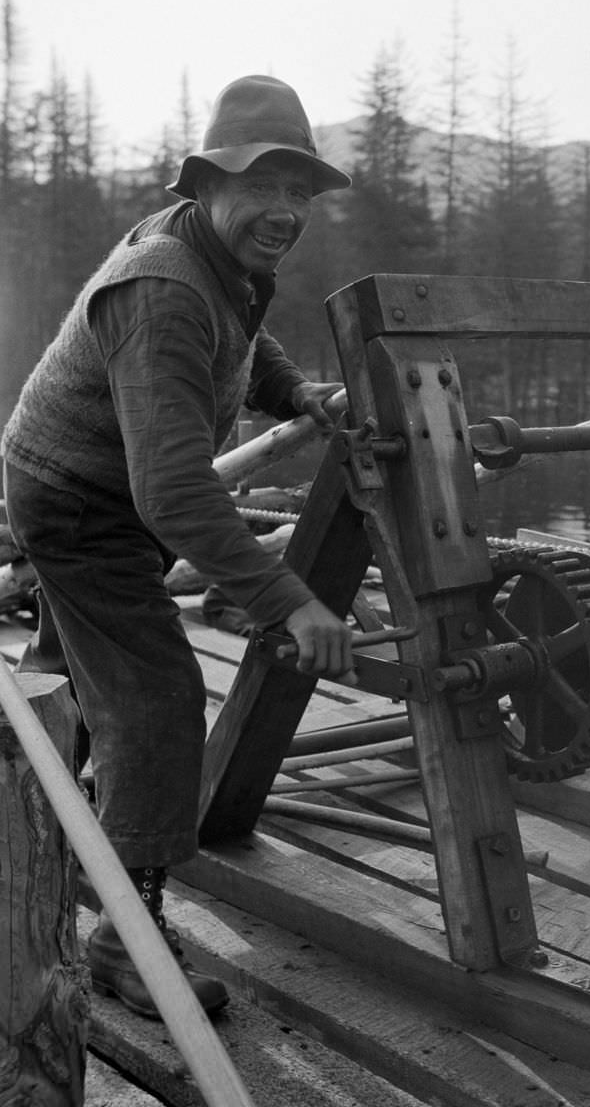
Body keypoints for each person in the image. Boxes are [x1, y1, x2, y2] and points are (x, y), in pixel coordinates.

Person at [1, 75, 357, 1017]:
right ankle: (126, 943)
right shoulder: (162, 287)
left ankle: (38, 814)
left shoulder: (226, 259)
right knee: (156, 702)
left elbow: (243, 337)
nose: (284, 212)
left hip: (106, 483)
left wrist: (297, 397)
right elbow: (171, 492)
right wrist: (287, 597)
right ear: (205, 184)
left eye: (300, 193)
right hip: (82, 498)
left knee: (73, 677)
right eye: (264, 187)